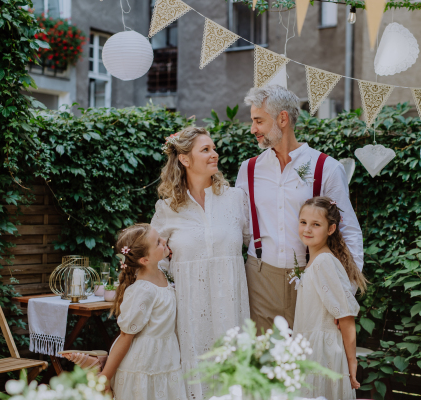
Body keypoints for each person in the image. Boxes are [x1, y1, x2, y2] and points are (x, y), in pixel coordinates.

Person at [235, 85, 364, 333]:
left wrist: (345, 293)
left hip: (313, 276)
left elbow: (348, 230)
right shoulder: (248, 170)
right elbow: (241, 227)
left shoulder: (326, 167)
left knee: (310, 360)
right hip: (260, 278)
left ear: (282, 119)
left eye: (258, 121)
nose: (253, 129)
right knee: (263, 363)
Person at [151, 126, 251, 400]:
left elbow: (253, 244)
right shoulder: (168, 208)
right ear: (184, 159)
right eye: (205, 150)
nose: (214, 154)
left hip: (232, 308)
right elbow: (153, 263)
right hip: (190, 312)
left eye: (213, 148)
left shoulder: (235, 199)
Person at [98, 223, 187, 400]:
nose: (164, 240)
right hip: (142, 367)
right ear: (144, 260)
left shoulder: (162, 273)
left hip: (165, 360)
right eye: (157, 242)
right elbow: (125, 336)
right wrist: (105, 377)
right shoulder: (142, 290)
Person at [294, 197, 367, 400]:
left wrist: (352, 361)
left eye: (316, 224)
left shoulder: (324, 261)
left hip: (322, 355)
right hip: (309, 350)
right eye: (303, 222)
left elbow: (345, 315)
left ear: (331, 229)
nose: (307, 229)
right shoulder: (315, 261)